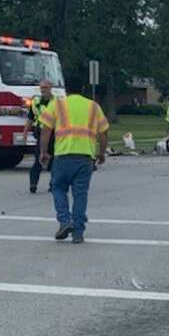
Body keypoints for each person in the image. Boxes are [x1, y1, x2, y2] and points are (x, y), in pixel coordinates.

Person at [39, 81, 109, 244]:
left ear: (66, 90)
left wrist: (43, 151)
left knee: (58, 188)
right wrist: (101, 152)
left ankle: (64, 221)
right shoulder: (93, 106)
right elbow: (104, 132)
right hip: (85, 157)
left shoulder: (57, 104)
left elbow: (46, 129)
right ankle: (78, 232)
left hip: (63, 155)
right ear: (83, 89)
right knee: (80, 194)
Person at [27, 79, 54, 194]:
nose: (43, 90)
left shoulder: (57, 102)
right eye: (41, 88)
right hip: (41, 133)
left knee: (54, 161)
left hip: (54, 133)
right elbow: (30, 118)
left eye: (45, 88)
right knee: (38, 159)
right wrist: (24, 132)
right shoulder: (35, 102)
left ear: (50, 88)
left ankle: (53, 184)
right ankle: (33, 184)